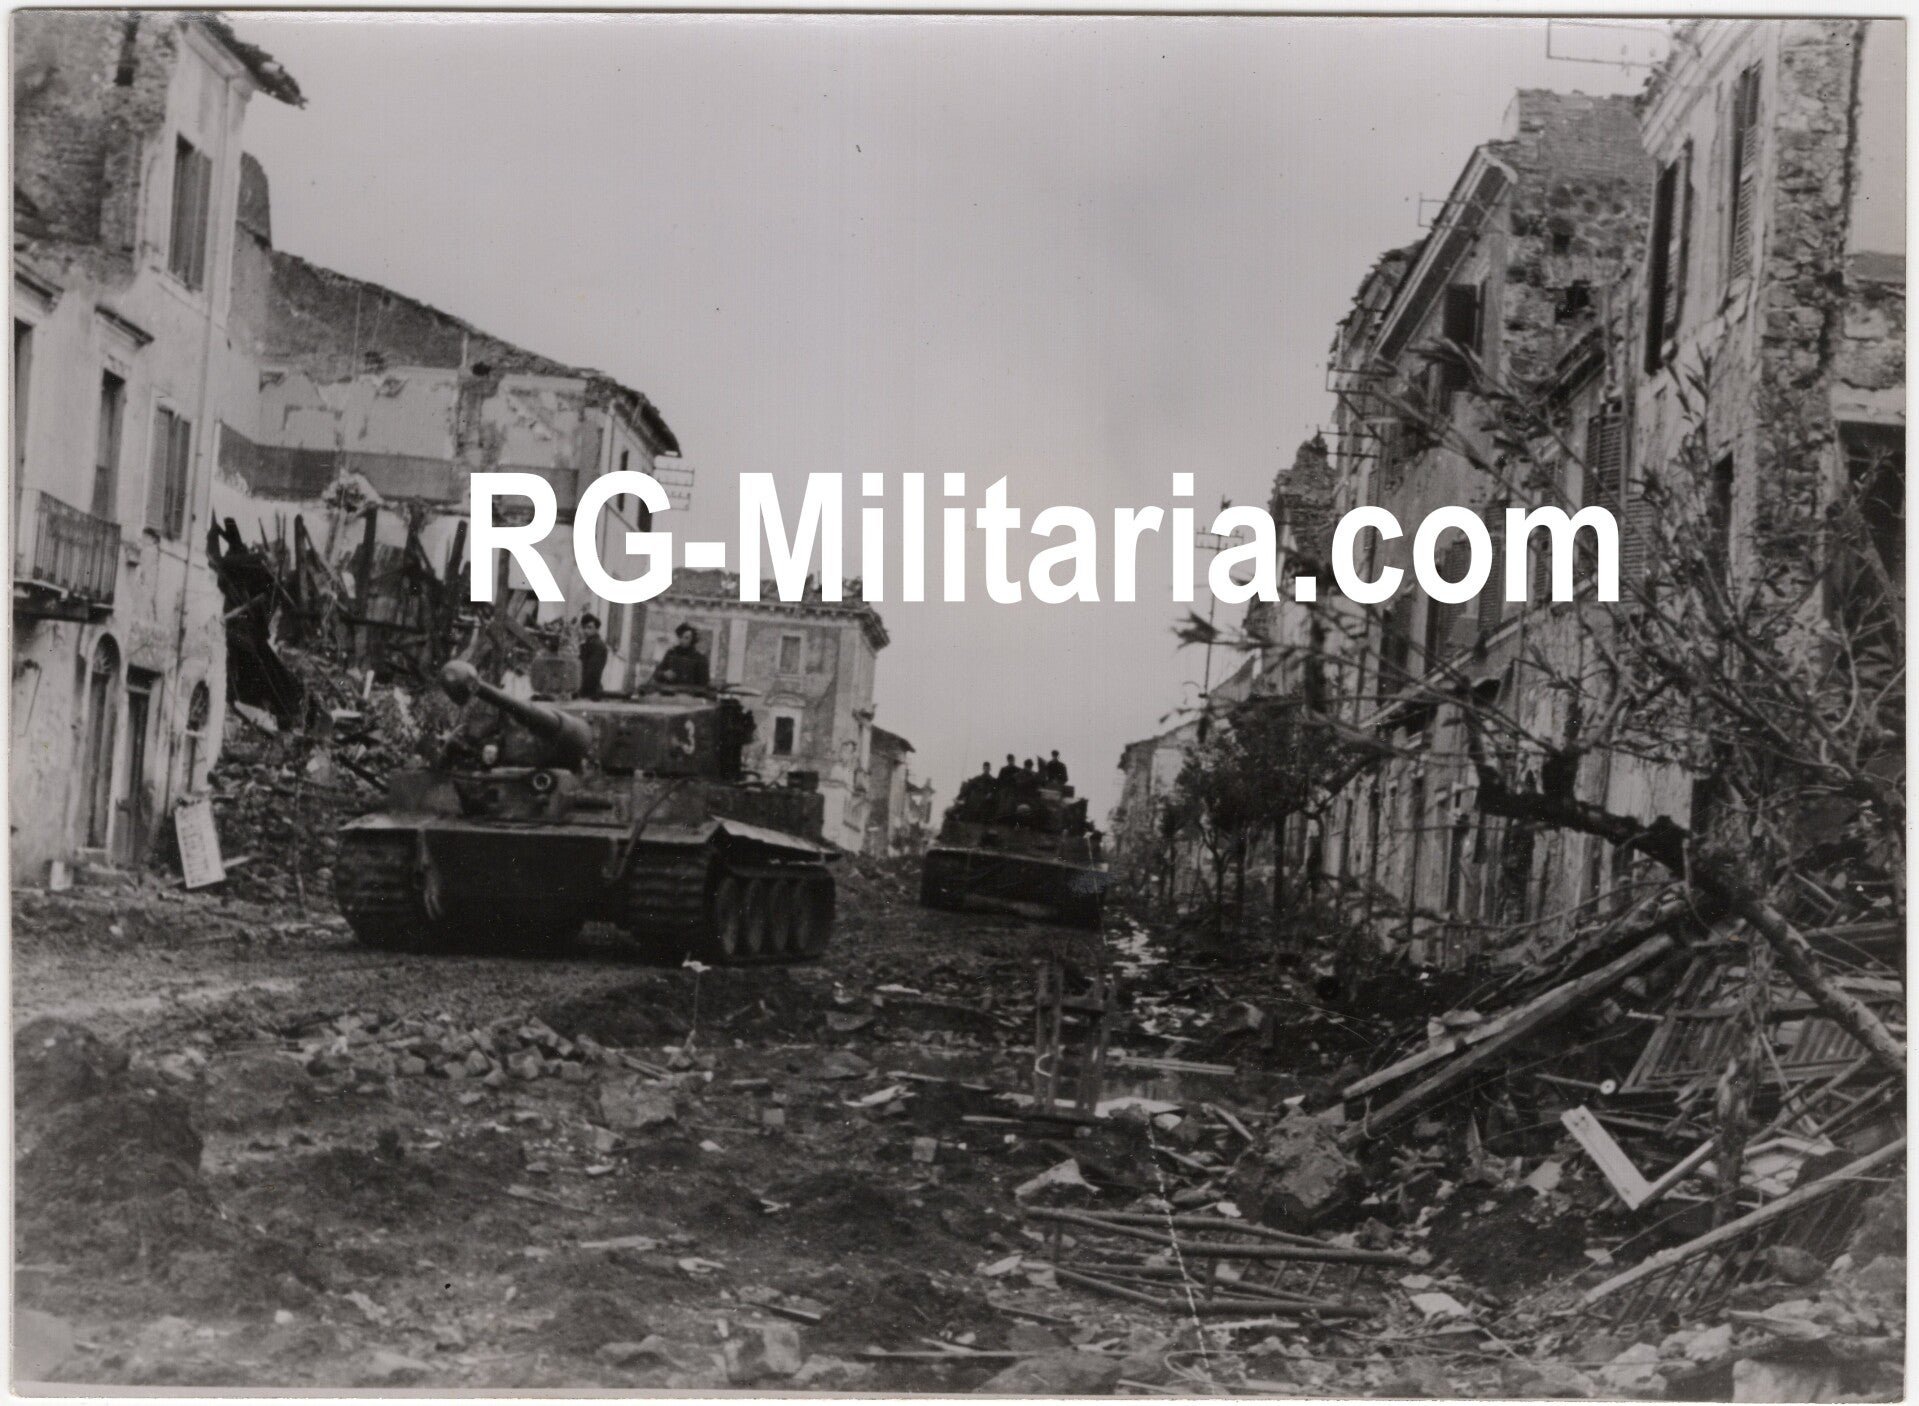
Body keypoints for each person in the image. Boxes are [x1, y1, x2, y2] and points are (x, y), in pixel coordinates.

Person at [652, 623, 711, 687]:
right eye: (680, 637)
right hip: (670, 693)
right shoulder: (671, 654)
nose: (682, 640)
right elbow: (656, 674)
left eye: (686, 638)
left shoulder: (700, 659)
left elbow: (704, 682)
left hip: (690, 694)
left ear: (692, 640)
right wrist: (664, 674)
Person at [577, 613, 608, 699]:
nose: (586, 631)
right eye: (584, 627)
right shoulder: (587, 644)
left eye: (589, 627)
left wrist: (581, 690)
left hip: (591, 693)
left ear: (597, 629)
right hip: (586, 691)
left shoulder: (598, 646)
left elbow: (593, 672)